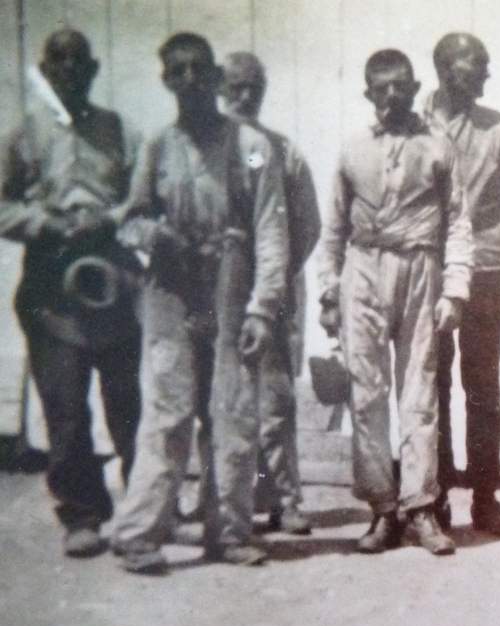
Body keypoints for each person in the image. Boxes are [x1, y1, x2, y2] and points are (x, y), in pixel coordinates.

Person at [110, 32, 289, 573]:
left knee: (232, 411)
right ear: (166, 80)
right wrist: (154, 235)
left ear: (215, 78)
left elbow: (271, 228)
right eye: (177, 71)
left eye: (198, 70)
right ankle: (139, 533)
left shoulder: (250, 145)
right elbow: (130, 219)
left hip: (230, 280)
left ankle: (228, 532)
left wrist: (263, 306)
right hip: (171, 285)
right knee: (168, 408)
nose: (188, 80)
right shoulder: (157, 146)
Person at [316, 48, 471, 556]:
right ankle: (383, 509)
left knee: (419, 391)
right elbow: (333, 227)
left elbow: (458, 221)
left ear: (414, 87)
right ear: (368, 93)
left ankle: (421, 507)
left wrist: (455, 288)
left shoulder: (438, 146)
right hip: (363, 269)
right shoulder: (352, 150)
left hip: (419, 267)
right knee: (366, 393)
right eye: (381, 87)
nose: (391, 95)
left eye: (400, 85)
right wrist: (328, 291)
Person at [0, 28, 141, 558]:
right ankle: (81, 514)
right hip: (51, 284)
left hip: (112, 277)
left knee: (127, 401)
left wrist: (110, 219)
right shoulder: (23, 136)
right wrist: (48, 223)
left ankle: (145, 507)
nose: (70, 71)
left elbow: (141, 196)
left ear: (94, 69)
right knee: (65, 407)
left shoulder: (118, 130)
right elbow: (2, 206)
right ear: (45, 70)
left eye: (79, 62)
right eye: (58, 62)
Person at [219, 51, 322, 536]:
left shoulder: (281, 151)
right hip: (215, 292)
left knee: (274, 400)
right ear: (221, 89)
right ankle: (225, 500)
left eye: (253, 88)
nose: (245, 96)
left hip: (270, 290)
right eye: (235, 87)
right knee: (219, 399)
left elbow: (308, 223)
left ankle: (284, 498)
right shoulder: (206, 147)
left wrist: (275, 277)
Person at [425, 33, 500, 537]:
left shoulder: (499, 129)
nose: (486, 74)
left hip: (485, 269)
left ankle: (486, 497)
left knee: (483, 385)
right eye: (475, 65)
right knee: (430, 384)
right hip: (428, 271)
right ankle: (434, 497)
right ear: (446, 70)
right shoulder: (416, 126)